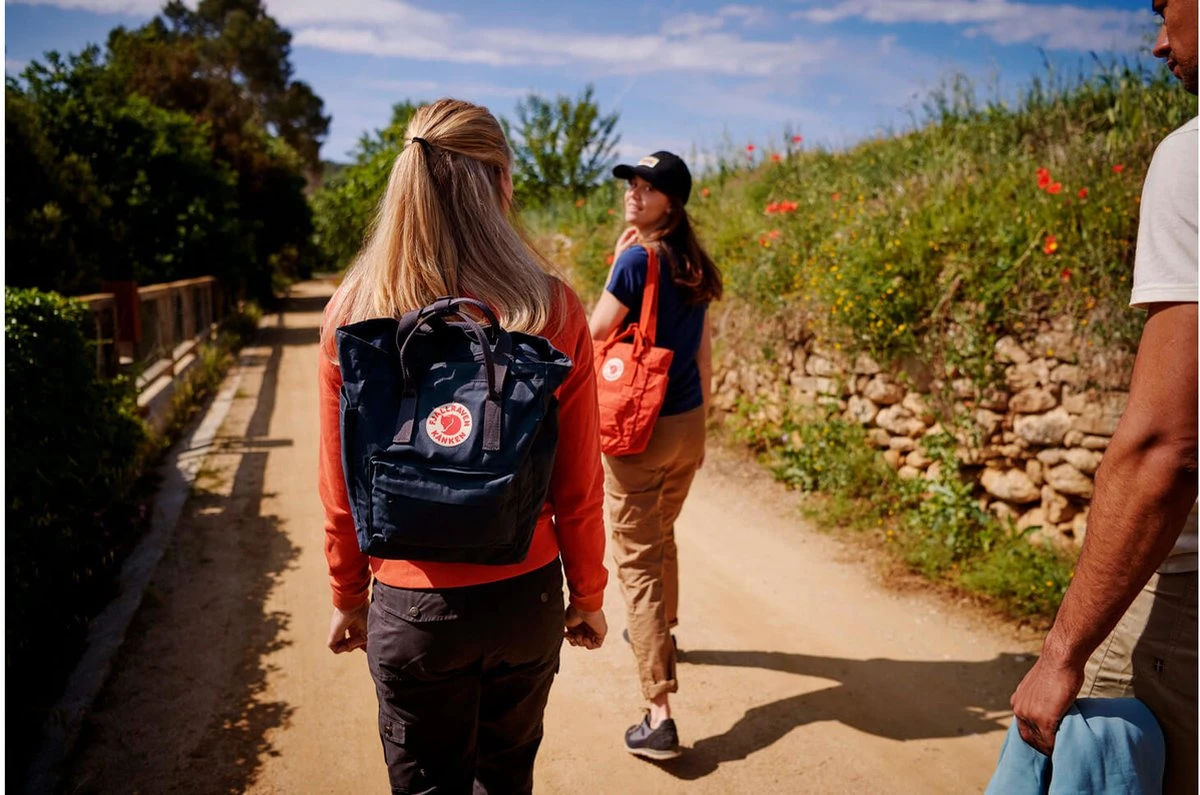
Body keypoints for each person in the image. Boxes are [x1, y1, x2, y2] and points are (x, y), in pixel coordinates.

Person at [317, 99, 609, 793]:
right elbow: (578, 482)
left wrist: (348, 593)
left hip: (412, 607)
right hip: (524, 597)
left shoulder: (354, 311)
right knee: (506, 779)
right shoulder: (550, 306)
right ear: (501, 181)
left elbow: (341, 486)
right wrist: (588, 592)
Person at [1010, 1, 1198, 791]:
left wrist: (1062, 655)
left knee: (1095, 751)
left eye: (1164, 7)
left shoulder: (1191, 159)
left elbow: (1167, 446)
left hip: (1186, 602)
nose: (1156, 42)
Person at [588, 151, 723, 760]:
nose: (633, 194)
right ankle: (663, 632)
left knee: (637, 561)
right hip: (686, 424)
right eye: (632, 185)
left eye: (647, 188)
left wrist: (616, 267)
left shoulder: (636, 260)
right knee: (661, 531)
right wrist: (703, 429)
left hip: (637, 428)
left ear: (672, 202)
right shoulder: (693, 262)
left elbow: (594, 332)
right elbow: (702, 354)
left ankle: (659, 713)